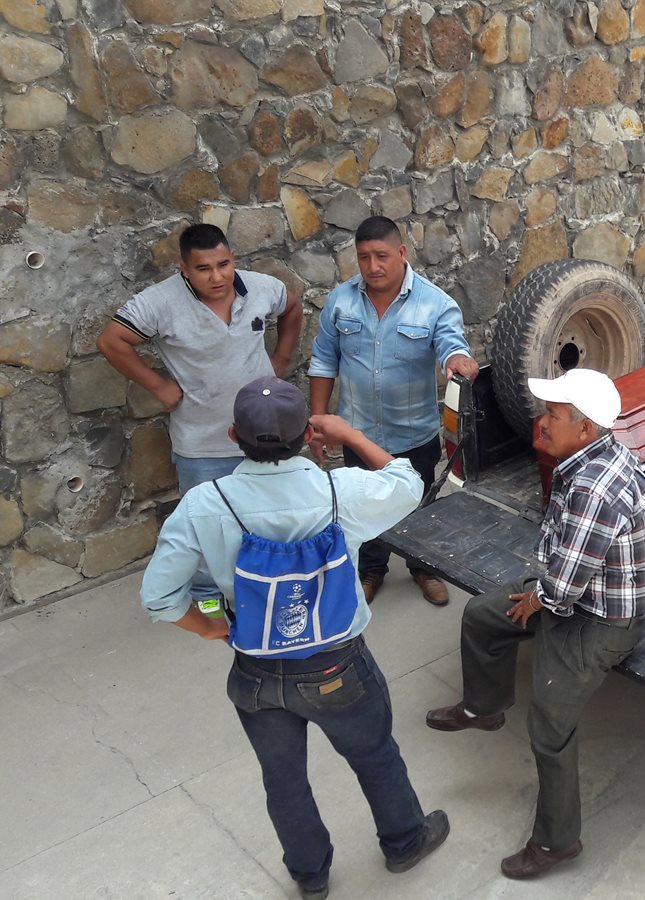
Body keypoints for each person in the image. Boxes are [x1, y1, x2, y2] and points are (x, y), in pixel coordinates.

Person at [139, 376, 449, 900]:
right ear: (308, 435)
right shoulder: (340, 491)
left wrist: (213, 627)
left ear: (233, 436)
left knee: (283, 779)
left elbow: (158, 598)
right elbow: (408, 482)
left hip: (257, 671)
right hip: (337, 666)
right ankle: (404, 843)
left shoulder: (203, 504)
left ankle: (310, 876)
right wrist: (348, 434)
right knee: (375, 755)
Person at [425, 368, 645, 879]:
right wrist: (541, 593)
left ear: (586, 427)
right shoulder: (590, 456)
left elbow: (565, 588)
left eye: (553, 414)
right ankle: (484, 707)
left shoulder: (595, 488)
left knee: (550, 723)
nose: (543, 421)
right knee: (482, 617)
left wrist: (538, 599)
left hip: (599, 618)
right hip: (569, 591)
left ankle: (556, 842)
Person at [98, 223, 302, 610]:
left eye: (223, 265)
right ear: (184, 269)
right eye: (204, 269)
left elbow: (292, 306)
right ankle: (208, 594)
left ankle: (270, 584)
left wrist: (281, 358)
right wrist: (157, 385)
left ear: (233, 259)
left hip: (264, 433)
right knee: (206, 523)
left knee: (269, 516)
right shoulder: (160, 302)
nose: (217, 277)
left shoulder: (261, 288)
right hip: (202, 442)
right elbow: (111, 340)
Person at [308, 215, 479, 607]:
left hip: (414, 435)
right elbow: (323, 361)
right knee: (364, 506)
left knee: (419, 505)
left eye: (381, 256)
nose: (372, 267)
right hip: (358, 434)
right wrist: (318, 421)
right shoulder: (340, 302)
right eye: (363, 257)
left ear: (402, 252)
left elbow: (451, 343)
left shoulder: (435, 303)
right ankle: (372, 569)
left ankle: (424, 567)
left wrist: (456, 358)